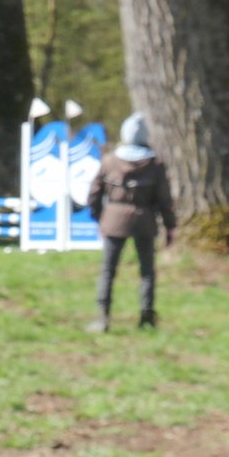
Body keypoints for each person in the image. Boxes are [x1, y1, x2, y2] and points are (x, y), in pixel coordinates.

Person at [84, 111, 176, 333]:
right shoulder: (155, 164)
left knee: (108, 270)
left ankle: (102, 316)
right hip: (145, 220)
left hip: (114, 219)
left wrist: (99, 218)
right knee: (147, 271)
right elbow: (164, 199)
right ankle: (147, 315)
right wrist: (170, 225)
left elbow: (94, 194)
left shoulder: (109, 161)